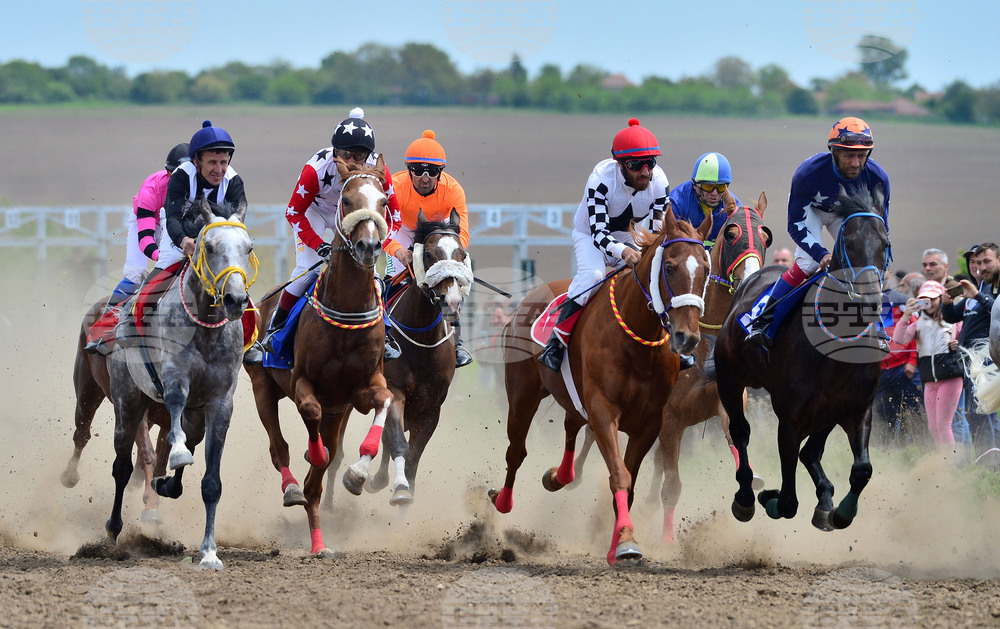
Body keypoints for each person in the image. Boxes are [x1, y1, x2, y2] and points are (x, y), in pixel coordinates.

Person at [538, 118, 693, 372]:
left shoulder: (659, 182)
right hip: (589, 234)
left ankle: (672, 339)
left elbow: (657, 231)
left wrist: (642, 253)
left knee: (652, 274)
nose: (645, 172)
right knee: (594, 274)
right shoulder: (600, 179)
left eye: (650, 163)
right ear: (619, 164)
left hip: (627, 235)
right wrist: (626, 252)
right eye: (636, 165)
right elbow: (599, 234)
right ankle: (557, 340)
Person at [260, 108, 402, 359]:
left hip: (352, 215)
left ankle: (386, 335)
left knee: (373, 275)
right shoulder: (316, 170)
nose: (352, 163)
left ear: (369, 156)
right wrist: (318, 245)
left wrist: (381, 242)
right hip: (315, 212)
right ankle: (276, 330)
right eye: (346, 155)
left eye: (359, 156)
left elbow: (395, 218)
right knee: (310, 269)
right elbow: (294, 213)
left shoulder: (379, 171)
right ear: (335, 152)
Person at [745, 117, 890, 348]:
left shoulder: (878, 178)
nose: (855, 163)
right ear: (833, 152)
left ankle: (877, 327)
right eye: (848, 155)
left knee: (863, 264)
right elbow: (795, 224)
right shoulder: (808, 174)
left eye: (861, 156)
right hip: (810, 212)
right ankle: (764, 320)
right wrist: (821, 253)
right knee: (807, 265)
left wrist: (880, 259)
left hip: (847, 215)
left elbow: (880, 228)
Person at [148, 120, 262, 365]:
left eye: (223, 162)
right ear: (197, 160)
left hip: (216, 237)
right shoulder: (181, 176)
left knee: (235, 281)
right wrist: (183, 240)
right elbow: (174, 217)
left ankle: (250, 341)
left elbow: (235, 222)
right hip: (180, 233)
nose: (219, 169)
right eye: (212, 162)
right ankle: (131, 321)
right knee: (164, 268)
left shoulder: (234, 181)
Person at [84, 142, 189, 355]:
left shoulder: (198, 188)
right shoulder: (151, 189)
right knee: (136, 272)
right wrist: (164, 261)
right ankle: (107, 324)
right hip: (150, 222)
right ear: (168, 174)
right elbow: (145, 241)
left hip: (178, 223)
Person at [385, 130, 473, 367]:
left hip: (439, 235)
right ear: (409, 170)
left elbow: (462, 233)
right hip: (401, 230)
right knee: (395, 277)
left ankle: (458, 341)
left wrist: (448, 257)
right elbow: (384, 228)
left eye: (432, 171)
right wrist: (398, 251)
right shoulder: (395, 185)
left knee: (453, 279)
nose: (425, 178)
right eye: (417, 170)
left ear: (440, 173)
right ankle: (382, 336)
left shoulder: (453, 189)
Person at [942, 242, 1000, 458]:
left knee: (980, 412)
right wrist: (946, 303)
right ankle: (990, 462)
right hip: (969, 361)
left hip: (988, 359)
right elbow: (951, 317)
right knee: (979, 413)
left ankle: (988, 463)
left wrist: (977, 295)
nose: (979, 266)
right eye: (975, 262)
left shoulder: (983, 291)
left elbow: (995, 308)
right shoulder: (981, 288)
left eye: (985, 261)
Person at [893, 280, 964, 454]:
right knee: (933, 427)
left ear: (941, 298)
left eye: (933, 298)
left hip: (950, 377)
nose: (929, 303)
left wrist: (958, 344)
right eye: (924, 299)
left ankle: (950, 466)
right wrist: (906, 315)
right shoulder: (917, 324)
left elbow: (968, 342)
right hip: (929, 381)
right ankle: (943, 461)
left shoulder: (953, 321)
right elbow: (899, 339)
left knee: (943, 424)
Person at [668, 152, 741, 243]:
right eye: (708, 186)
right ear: (695, 185)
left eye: (721, 187)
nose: (715, 193)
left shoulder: (736, 208)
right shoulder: (677, 202)